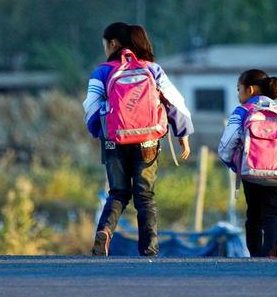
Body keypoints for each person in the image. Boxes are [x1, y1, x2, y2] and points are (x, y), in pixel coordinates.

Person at [82, 22, 194, 256]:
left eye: (105, 44)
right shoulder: (152, 69)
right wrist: (182, 134)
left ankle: (104, 232)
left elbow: (91, 108)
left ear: (113, 44)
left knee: (118, 193)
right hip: (148, 143)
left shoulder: (101, 72)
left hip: (115, 141)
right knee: (145, 197)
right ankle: (149, 249)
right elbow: (176, 103)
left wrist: (100, 132)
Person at [217, 69, 277, 257]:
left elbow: (227, 144)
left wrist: (235, 165)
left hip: (252, 172)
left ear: (249, 89)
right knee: (272, 213)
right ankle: (271, 252)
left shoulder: (242, 111)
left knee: (254, 215)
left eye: (238, 88)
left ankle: (256, 256)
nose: (238, 93)